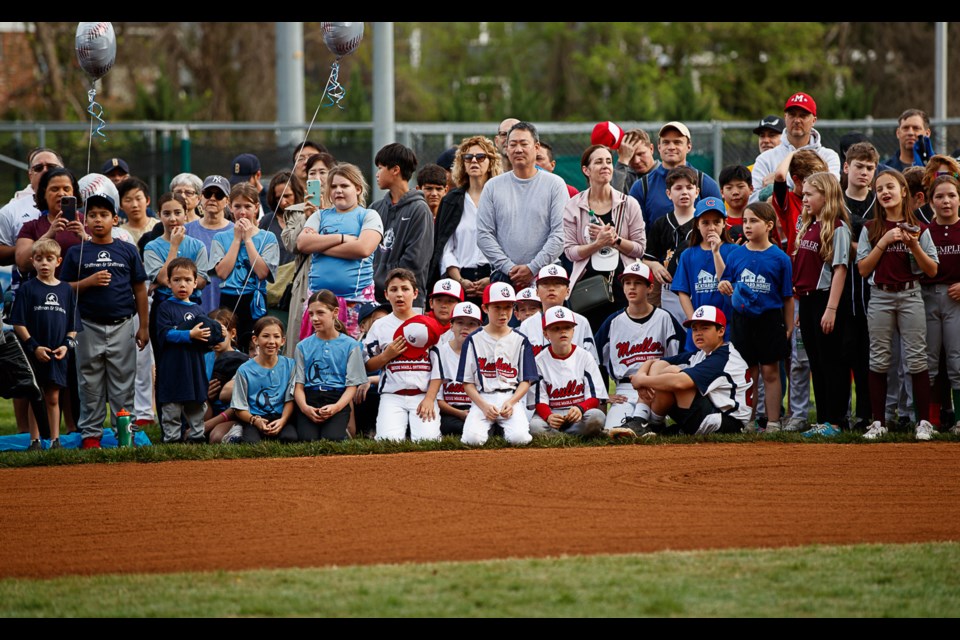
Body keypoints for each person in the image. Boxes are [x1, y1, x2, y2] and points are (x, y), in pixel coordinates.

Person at [60, 191, 149, 449]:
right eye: (93, 215)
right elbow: (63, 287)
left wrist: (143, 326)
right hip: (87, 325)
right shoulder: (77, 253)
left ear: (115, 219)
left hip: (122, 324)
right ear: (85, 220)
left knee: (123, 381)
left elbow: (139, 289)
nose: (98, 220)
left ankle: (124, 432)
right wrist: (88, 282)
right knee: (89, 381)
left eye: (104, 215)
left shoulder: (127, 250)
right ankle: (91, 435)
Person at [857, 170, 938, 441]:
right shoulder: (871, 228)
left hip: (910, 295)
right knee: (879, 358)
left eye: (890, 187)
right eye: (879, 189)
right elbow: (863, 269)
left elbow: (932, 270)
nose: (885, 193)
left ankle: (923, 421)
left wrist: (913, 245)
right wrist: (884, 241)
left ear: (904, 191)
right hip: (880, 295)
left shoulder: (920, 228)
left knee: (916, 358)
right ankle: (879, 421)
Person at [717, 202, 794, 432]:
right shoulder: (735, 254)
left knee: (770, 371)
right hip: (742, 319)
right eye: (745, 221)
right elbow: (727, 281)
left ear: (769, 225)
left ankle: (772, 421)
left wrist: (788, 327)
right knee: (748, 372)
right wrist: (724, 284)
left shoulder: (780, 258)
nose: (747, 226)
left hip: (770, 319)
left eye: (754, 221)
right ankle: (747, 420)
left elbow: (787, 296)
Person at [791, 172, 853, 437]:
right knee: (816, 361)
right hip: (807, 301)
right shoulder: (809, 225)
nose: (804, 198)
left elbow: (840, 270)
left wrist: (831, 308)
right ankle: (824, 419)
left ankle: (837, 421)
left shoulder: (837, 227)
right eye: (803, 193)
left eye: (809, 194)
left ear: (826, 197)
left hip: (825, 299)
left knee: (831, 362)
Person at [631, 305, 752, 436]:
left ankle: (653, 424)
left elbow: (680, 383)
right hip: (713, 412)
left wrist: (643, 381)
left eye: (705, 328)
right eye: (694, 329)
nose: (698, 333)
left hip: (728, 423)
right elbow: (656, 362)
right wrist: (641, 376)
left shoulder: (723, 357)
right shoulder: (702, 353)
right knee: (661, 368)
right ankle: (641, 419)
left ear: (721, 331)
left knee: (673, 374)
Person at [563, 144, 647, 331]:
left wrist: (615, 240)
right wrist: (598, 244)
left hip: (624, 285)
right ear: (586, 170)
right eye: (599, 162)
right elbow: (570, 252)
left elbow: (640, 249)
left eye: (609, 161)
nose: (606, 166)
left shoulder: (629, 204)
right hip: (587, 289)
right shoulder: (573, 206)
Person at [477, 122, 568, 291]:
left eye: (524, 144)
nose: (518, 149)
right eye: (513, 144)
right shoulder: (492, 186)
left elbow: (560, 234)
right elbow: (484, 234)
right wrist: (508, 268)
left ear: (536, 147)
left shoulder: (555, 185)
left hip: (547, 275)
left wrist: (533, 268)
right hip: (504, 276)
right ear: (506, 149)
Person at [296, 163, 383, 340]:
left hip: (356, 302)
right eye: (334, 186)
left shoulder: (369, 215)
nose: (338, 191)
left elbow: (363, 248)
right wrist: (342, 238)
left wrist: (320, 245)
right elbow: (303, 244)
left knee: (353, 359)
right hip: (318, 304)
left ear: (358, 189)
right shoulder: (319, 216)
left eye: (344, 186)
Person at [596, 262, 684, 432]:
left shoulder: (664, 318)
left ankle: (655, 422)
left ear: (650, 288)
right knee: (615, 431)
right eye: (628, 283)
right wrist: (602, 396)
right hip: (625, 389)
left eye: (638, 283)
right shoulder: (612, 322)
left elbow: (681, 357)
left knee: (647, 426)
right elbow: (593, 361)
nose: (632, 287)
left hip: (656, 387)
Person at [10, 238, 81, 450]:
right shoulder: (27, 289)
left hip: (58, 352)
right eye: (39, 259)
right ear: (32, 261)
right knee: (36, 395)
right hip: (34, 351)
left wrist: (66, 345)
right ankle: (35, 440)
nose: (44, 263)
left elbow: (73, 324)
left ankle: (55, 440)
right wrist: (33, 345)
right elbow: (18, 322)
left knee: (53, 396)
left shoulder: (66, 290)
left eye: (49, 259)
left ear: (58, 261)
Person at [362, 268, 443, 442]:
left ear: (415, 293)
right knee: (388, 442)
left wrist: (430, 398)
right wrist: (386, 356)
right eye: (394, 289)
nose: (399, 294)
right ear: (386, 294)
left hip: (422, 394)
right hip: (392, 395)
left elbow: (439, 368)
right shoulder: (380, 326)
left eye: (405, 289)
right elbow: (368, 365)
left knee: (427, 442)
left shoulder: (429, 325)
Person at [458, 283, 538, 446]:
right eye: (497, 307)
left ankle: (500, 427)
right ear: (485, 308)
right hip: (483, 397)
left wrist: (511, 402)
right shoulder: (473, 340)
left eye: (508, 307)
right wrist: (483, 406)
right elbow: (467, 382)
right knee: (472, 440)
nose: (503, 313)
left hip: (510, 397)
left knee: (520, 439)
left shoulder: (521, 340)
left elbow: (526, 381)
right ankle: (493, 426)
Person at [430, 135, 502, 303]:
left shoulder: (501, 197)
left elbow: (509, 243)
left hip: (495, 278)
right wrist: (460, 280)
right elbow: (445, 247)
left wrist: (492, 278)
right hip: (459, 280)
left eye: (481, 157)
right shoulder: (451, 200)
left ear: (491, 162)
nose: (474, 161)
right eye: (468, 157)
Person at [211, 182, 280, 353]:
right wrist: (236, 240)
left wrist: (248, 240)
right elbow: (222, 272)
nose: (242, 212)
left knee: (255, 348)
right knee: (229, 346)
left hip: (255, 300)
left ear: (256, 207)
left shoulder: (268, 238)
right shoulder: (220, 238)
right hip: (229, 298)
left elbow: (263, 272)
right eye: (237, 206)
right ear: (229, 207)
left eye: (248, 206)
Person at [153, 257, 213, 444]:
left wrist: (217, 333)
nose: (182, 284)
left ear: (196, 283)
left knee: (196, 406)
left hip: (193, 368)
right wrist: (190, 334)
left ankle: (196, 437)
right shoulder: (164, 308)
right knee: (171, 407)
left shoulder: (198, 310)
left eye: (187, 280)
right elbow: (165, 334)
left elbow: (207, 340)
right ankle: (172, 440)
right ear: (168, 283)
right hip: (172, 367)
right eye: (177, 280)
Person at [843, 142, 881, 430]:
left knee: (868, 357)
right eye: (859, 166)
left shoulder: (879, 202)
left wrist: (856, 239)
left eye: (870, 168)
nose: (864, 172)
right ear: (846, 167)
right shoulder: (836, 200)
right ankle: (839, 414)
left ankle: (867, 415)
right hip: (840, 292)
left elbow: (875, 241)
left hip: (872, 291)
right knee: (841, 356)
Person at [294, 290, 366, 441]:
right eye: (311, 313)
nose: (314, 318)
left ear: (335, 312)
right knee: (308, 441)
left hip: (337, 398)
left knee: (331, 439)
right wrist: (305, 408)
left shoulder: (351, 345)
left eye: (320, 313)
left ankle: (342, 431)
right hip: (310, 398)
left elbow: (351, 386)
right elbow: (298, 386)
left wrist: (336, 408)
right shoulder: (302, 346)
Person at [370, 142, 435, 310]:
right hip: (374, 299)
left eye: (381, 168)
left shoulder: (420, 210)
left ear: (395, 170)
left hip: (407, 302)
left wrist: (380, 279)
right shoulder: (374, 209)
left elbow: (415, 261)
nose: (377, 174)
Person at [529, 305, 608, 439]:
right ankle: (576, 436)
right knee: (535, 426)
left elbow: (594, 397)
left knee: (597, 417)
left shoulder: (585, 356)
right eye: (556, 328)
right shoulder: (539, 361)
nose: (563, 332)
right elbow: (539, 401)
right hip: (553, 414)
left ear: (573, 331)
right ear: (546, 333)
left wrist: (580, 408)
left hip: (579, 413)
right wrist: (548, 416)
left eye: (567, 327)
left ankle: (558, 437)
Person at [671, 196, 737, 352]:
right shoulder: (688, 254)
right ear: (697, 225)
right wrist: (695, 320)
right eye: (705, 223)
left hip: (727, 326)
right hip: (700, 327)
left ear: (724, 224)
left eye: (716, 222)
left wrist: (716, 253)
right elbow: (682, 292)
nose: (711, 227)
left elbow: (726, 283)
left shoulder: (734, 251)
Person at [628, 121, 722, 226]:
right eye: (666, 142)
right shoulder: (641, 187)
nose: (671, 147)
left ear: (689, 147)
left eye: (677, 142)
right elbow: (635, 233)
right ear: (659, 147)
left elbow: (718, 227)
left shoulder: (705, 184)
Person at [750, 92, 841, 200]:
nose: (797, 120)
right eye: (792, 115)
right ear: (785, 117)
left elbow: (830, 191)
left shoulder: (828, 156)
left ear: (814, 120)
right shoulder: (765, 159)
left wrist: (780, 181)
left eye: (803, 115)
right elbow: (753, 201)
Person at [923, 175, 960, 436]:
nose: (946, 201)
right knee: (929, 361)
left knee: (957, 360)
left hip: (956, 300)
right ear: (930, 201)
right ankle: (929, 421)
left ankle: (958, 420)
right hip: (927, 297)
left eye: (951, 195)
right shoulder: (925, 231)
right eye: (939, 196)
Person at [642, 166, 700, 323]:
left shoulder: (703, 222)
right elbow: (647, 258)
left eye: (689, 187)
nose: (684, 192)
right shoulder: (661, 223)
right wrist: (655, 266)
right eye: (678, 188)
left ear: (697, 191)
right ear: (669, 193)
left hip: (698, 286)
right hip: (668, 288)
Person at [230, 316, 297, 443]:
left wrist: (282, 421)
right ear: (255, 340)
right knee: (251, 443)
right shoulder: (244, 370)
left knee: (290, 438)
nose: (271, 341)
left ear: (283, 341)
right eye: (266, 336)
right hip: (254, 418)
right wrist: (255, 421)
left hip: (281, 416)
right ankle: (236, 433)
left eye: (276, 337)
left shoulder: (290, 365)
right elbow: (239, 408)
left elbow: (290, 399)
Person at [518, 265, 598, 360]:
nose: (551, 288)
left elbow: (592, 362)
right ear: (537, 292)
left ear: (568, 291)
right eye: (545, 284)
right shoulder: (527, 325)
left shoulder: (581, 321)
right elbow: (523, 364)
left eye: (557, 284)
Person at [185, 175, 234, 314]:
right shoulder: (186, 230)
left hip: (227, 305)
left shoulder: (237, 232)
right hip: (194, 304)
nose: (212, 198)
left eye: (219, 195)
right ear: (200, 197)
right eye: (208, 194)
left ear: (227, 201)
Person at [436, 301, 482, 437]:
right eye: (460, 323)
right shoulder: (440, 353)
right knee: (453, 427)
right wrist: (460, 414)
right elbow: (436, 399)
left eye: (471, 324)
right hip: (450, 411)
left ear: (480, 328)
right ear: (451, 326)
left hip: (478, 409)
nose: (465, 328)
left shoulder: (485, 354)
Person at [202, 308, 247, 444]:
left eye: (220, 332)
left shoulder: (243, 362)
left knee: (216, 437)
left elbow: (240, 404)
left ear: (232, 333)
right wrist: (205, 396)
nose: (215, 338)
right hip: (206, 410)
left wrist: (207, 426)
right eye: (211, 332)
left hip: (233, 414)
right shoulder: (203, 359)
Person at [772, 150, 829, 255]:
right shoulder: (788, 200)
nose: (818, 185)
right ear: (796, 180)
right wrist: (792, 153)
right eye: (811, 181)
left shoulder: (823, 198)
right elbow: (780, 175)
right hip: (796, 263)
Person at [262, 170, 304, 268]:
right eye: (278, 198)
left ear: (296, 193)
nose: (283, 202)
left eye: (287, 196)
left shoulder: (308, 218)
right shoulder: (267, 222)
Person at [611, 128, 658, 195]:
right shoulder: (623, 178)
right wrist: (622, 161)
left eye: (640, 154)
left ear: (651, 149)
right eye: (630, 155)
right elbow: (613, 199)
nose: (636, 161)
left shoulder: (667, 175)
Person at [718, 165, 752, 244]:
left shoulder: (760, 220)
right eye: (729, 188)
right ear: (722, 192)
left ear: (751, 189)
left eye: (740, 187)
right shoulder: (718, 222)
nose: (735, 192)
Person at [118, 177, 159, 244]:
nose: (135, 205)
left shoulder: (160, 227)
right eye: (128, 200)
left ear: (147, 200)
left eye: (138, 199)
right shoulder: (118, 234)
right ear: (120, 205)